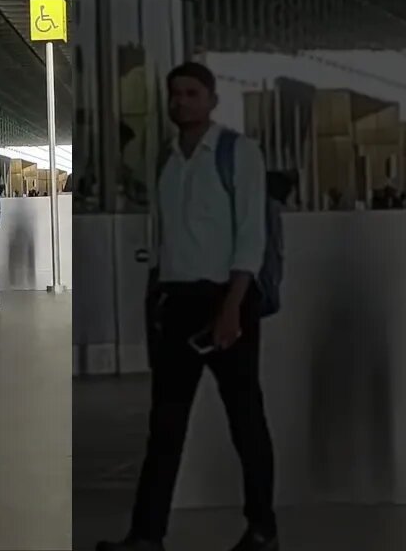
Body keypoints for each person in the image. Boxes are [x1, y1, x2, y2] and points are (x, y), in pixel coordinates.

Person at [98, 62, 277, 551]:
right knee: (165, 425)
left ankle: (263, 529)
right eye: (175, 94)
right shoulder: (168, 158)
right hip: (176, 304)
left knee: (245, 420)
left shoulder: (237, 153)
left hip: (226, 301)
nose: (182, 102)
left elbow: (251, 237)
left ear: (212, 99)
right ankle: (146, 535)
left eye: (192, 94)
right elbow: (163, 238)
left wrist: (232, 309)